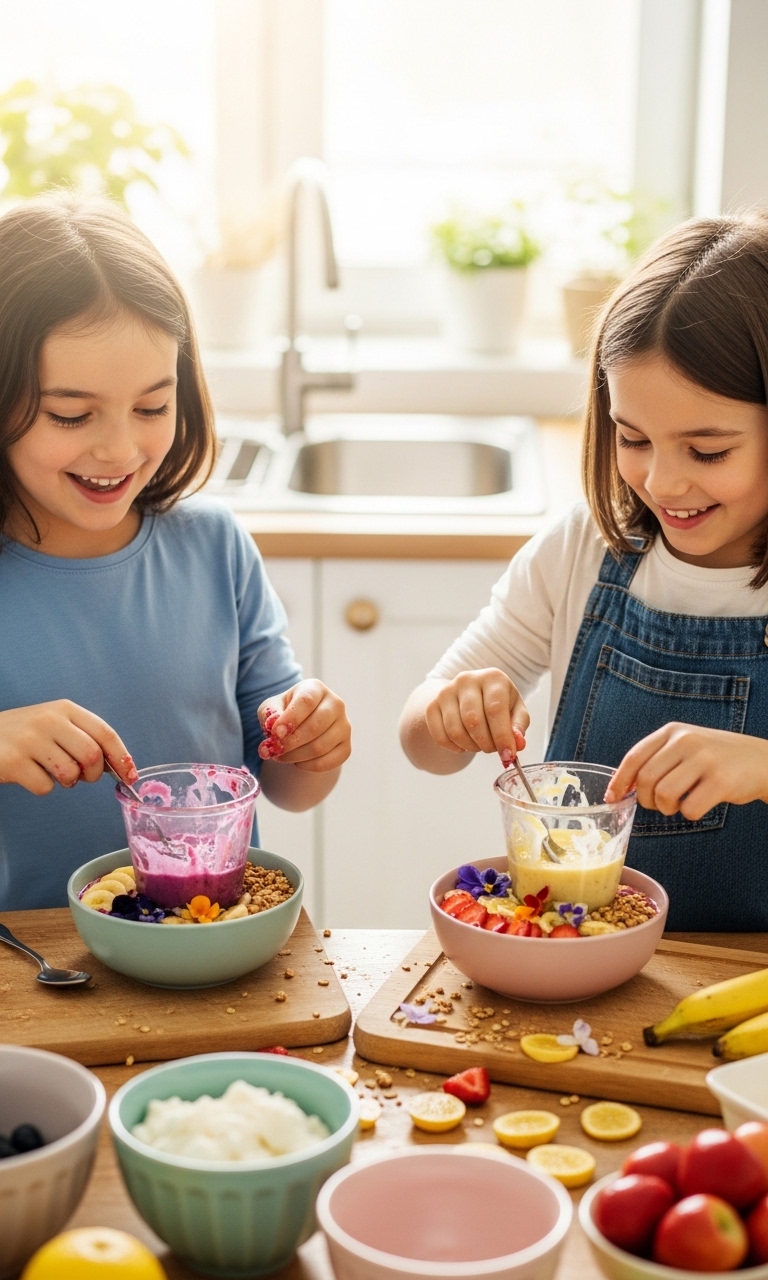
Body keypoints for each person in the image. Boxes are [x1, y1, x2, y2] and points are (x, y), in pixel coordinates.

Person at [400, 212, 768, 931]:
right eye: (633, 438)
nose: (663, 482)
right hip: (584, 967)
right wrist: (448, 712)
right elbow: (421, 741)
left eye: (708, 452)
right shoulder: (584, 548)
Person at [0, 194, 351, 909]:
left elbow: (288, 784)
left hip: (211, 950)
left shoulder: (214, 548)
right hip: (28, 972)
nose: (121, 449)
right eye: (72, 413)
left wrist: (313, 743)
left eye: (153, 407)